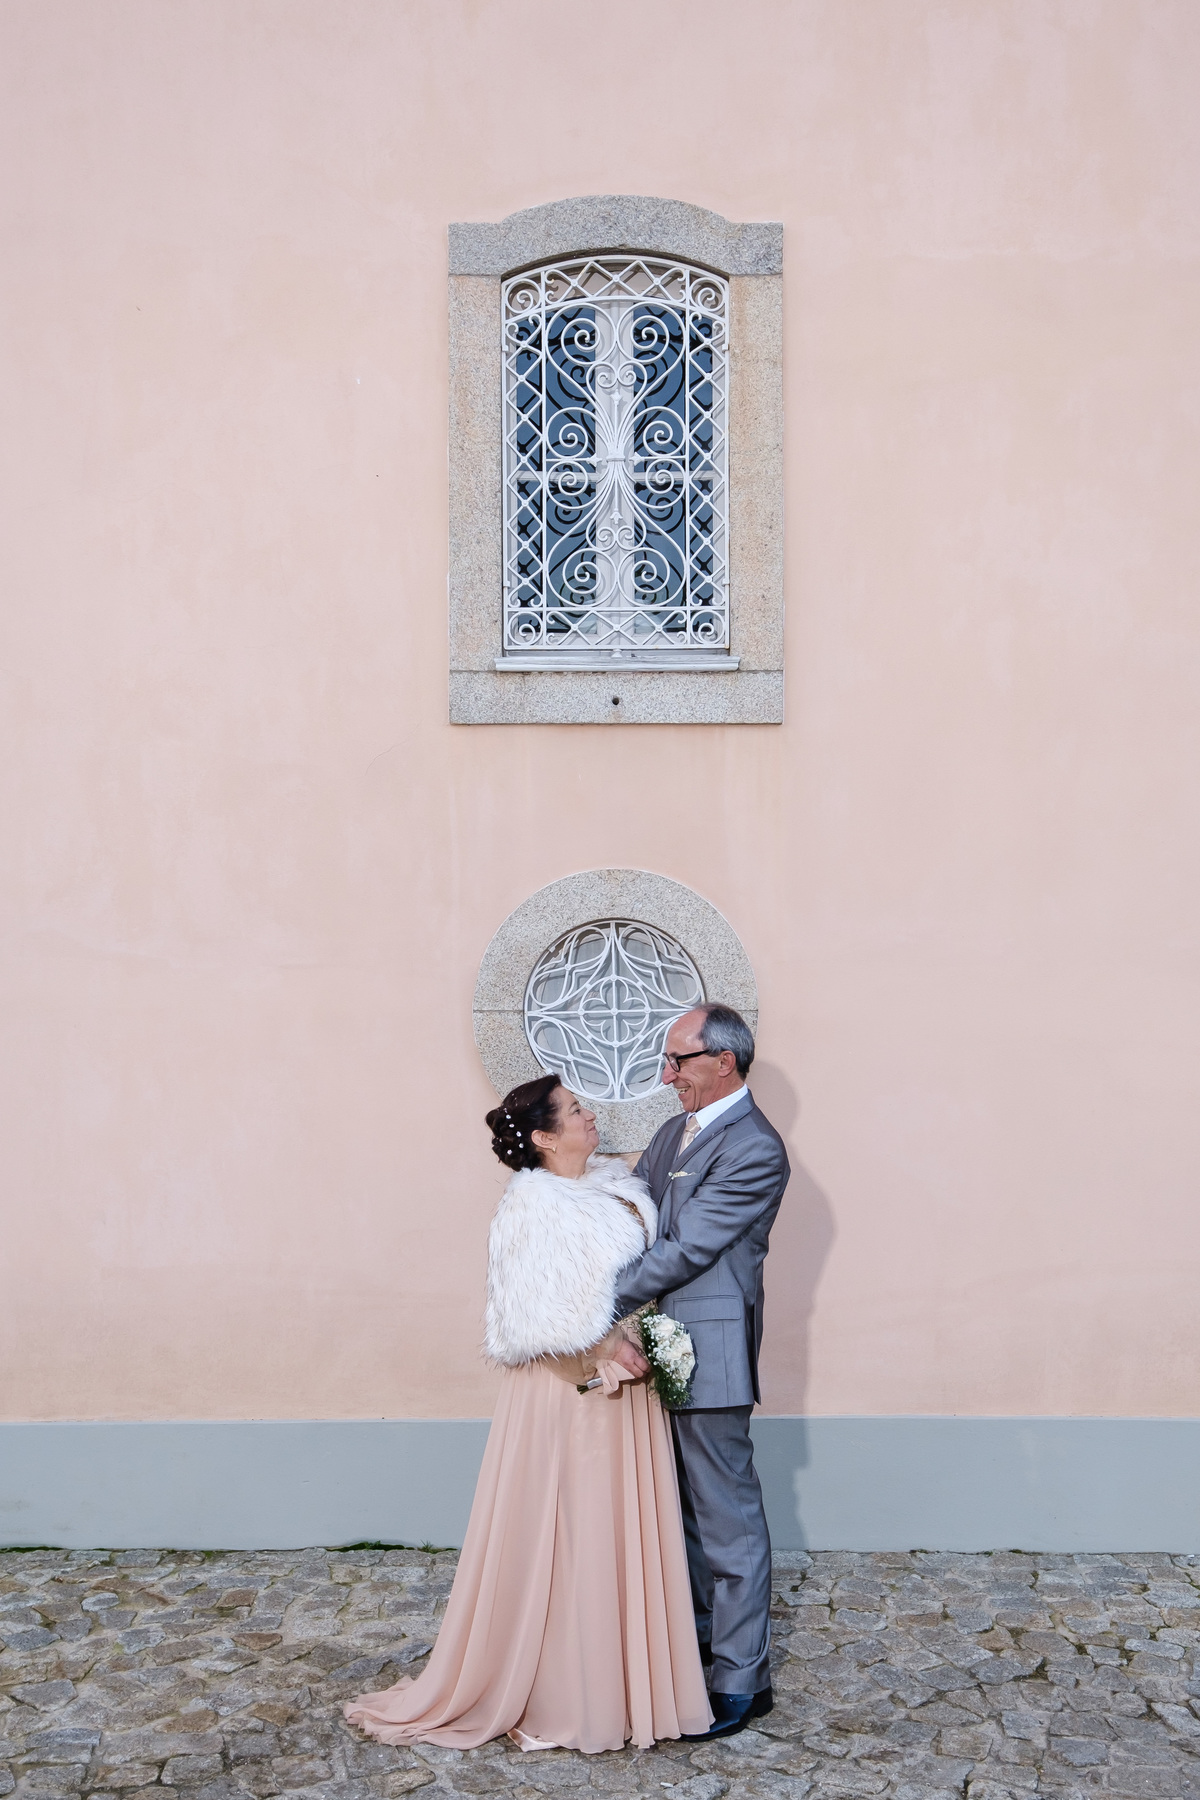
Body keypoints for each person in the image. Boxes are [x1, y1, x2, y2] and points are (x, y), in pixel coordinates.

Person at [343, 1073, 711, 1754]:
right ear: (543, 1136)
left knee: (617, 1532)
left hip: (624, 1389)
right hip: (571, 1397)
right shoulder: (530, 1208)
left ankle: (629, 1688)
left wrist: (643, 1344)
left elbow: (640, 1283)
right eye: (574, 1110)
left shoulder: (613, 1185)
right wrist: (604, 1356)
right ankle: (570, 1692)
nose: (589, 1114)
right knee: (573, 1535)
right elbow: (533, 1317)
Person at [612, 1003, 790, 1741]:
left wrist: (594, 1301)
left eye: (678, 1061)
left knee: (726, 1518)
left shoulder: (754, 1147)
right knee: (682, 1513)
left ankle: (744, 1680)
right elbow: (637, 1210)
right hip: (664, 1341)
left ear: (725, 1060)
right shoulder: (673, 1130)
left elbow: (687, 1248)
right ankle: (703, 1657)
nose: (667, 1074)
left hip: (708, 1351)